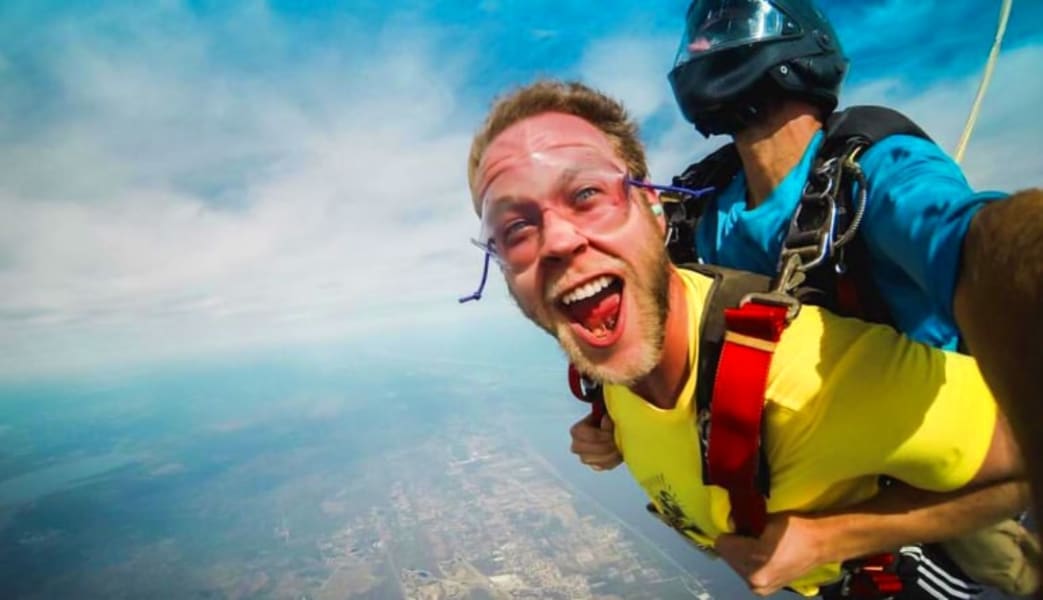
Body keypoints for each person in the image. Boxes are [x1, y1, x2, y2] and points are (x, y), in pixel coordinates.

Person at [461, 78, 1030, 598]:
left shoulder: (808, 381)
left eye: (586, 194)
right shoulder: (611, 357)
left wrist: (830, 538)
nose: (557, 239)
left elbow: (1026, 458)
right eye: (514, 228)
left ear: (654, 211)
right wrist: (611, 435)